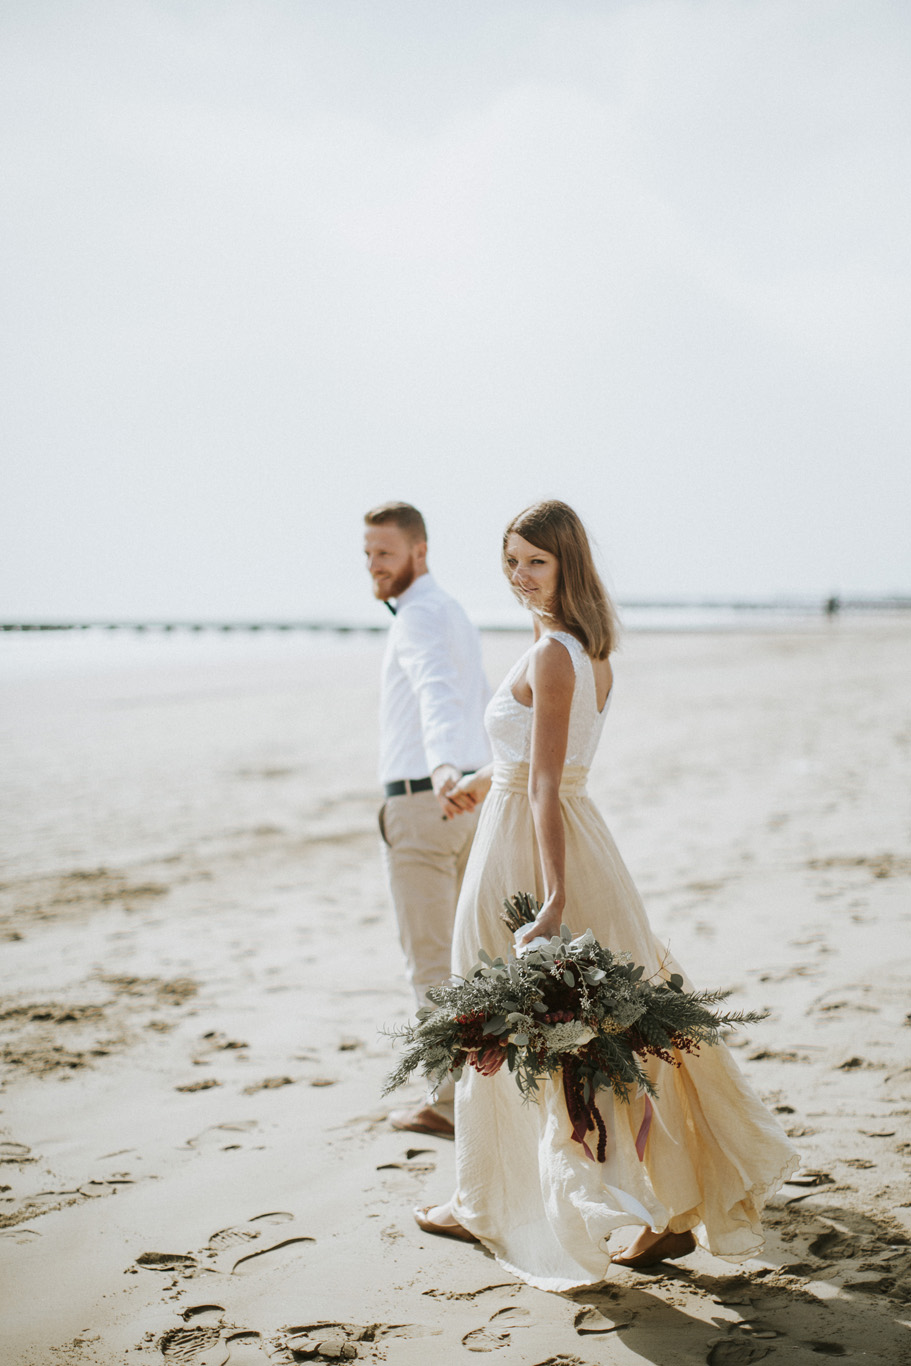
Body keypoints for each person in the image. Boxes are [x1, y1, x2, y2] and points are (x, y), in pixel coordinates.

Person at [414, 500, 798, 1291]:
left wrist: (552, 899)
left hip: (532, 848)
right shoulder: (583, 648)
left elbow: (547, 783)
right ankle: (657, 1210)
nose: (520, 578)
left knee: (500, 1021)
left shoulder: (554, 653)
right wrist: (484, 780)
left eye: (535, 563)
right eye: (511, 562)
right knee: (606, 1037)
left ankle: (484, 1198)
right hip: (560, 832)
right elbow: (540, 758)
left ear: (567, 564)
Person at [364, 500, 491, 1138]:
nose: (373, 566)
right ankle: (488, 1098)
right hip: (469, 800)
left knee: (432, 962)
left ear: (419, 551)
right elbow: (481, 699)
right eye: (367, 554)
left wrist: (442, 765)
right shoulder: (453, 610)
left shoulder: (418, 617)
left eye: (384, 553)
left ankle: (446, 1103)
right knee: (472, 958)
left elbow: (436, 688)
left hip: (425, 802)